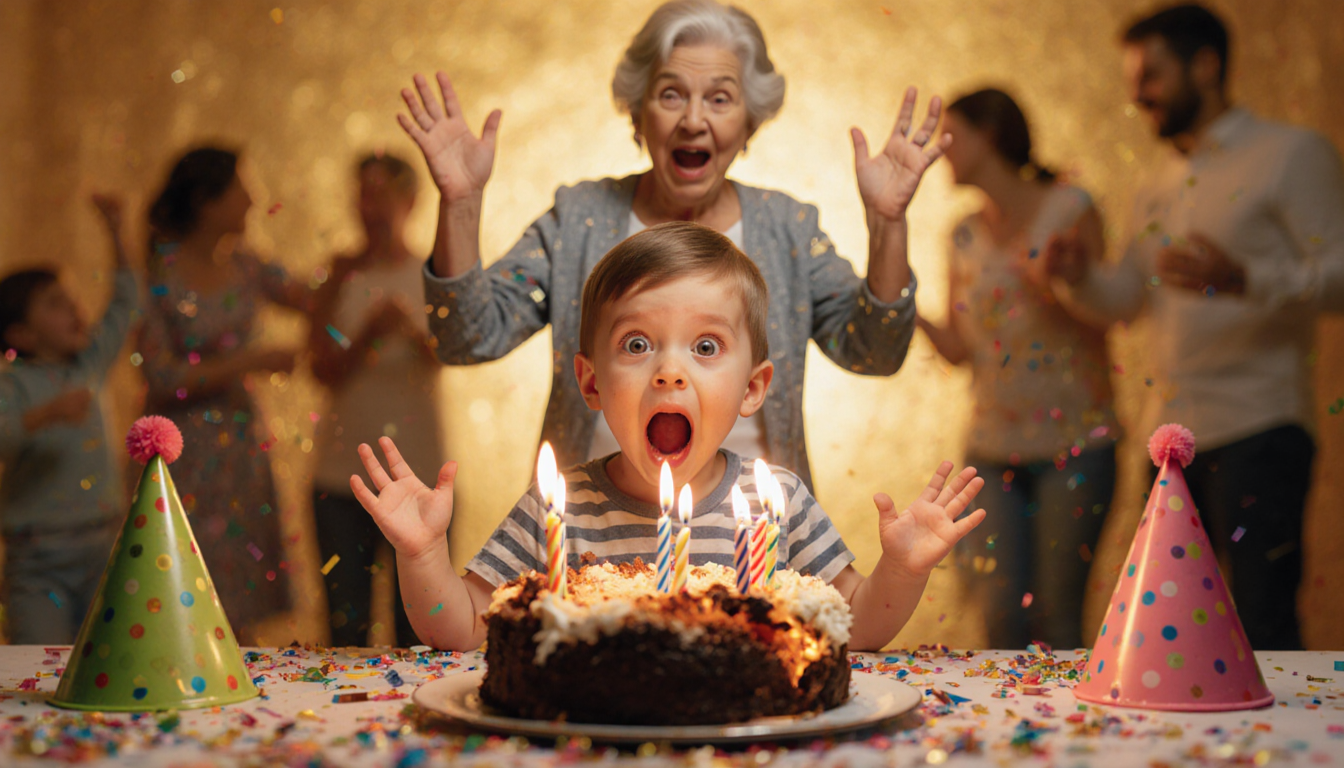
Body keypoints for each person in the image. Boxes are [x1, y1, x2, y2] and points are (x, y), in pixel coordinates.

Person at [351, 222, 987, 651]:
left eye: (706, 346)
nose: (670, 370)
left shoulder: (780, 505)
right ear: (592, 383)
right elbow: (460, 630)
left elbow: (860, 627)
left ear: (753, 389)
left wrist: (901, 570)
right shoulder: (559, 510)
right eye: (637, 344)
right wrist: (422, 554)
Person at [403, 0, 950, 486]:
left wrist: (889, 226)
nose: (693, 120)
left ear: (749, 122)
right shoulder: (579, 219)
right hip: (588, 541)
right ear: (638, 115)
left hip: (755, 547)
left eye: (719, 98)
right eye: (671, 94)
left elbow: (875, 352)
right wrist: (461, 204)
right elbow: (465, 339)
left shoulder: (787, 228)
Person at [1044, 3, 1344, 649]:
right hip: (1174, 439)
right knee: (1168, 636)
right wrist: (1076, 275)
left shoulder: (1289, 154)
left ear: (1205, 66)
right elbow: (1126, 300)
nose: (1136, 93)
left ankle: (1281, 753)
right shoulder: (1158, 182)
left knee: (1262, 625)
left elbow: (1341, 272)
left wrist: (1248, 278)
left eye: (1150, 74)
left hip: (1260, 426)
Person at [916, 89, 1120, 650]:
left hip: (1075, 443)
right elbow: (961, 348)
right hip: (992, 448)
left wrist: (1064, 278)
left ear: (990, 135)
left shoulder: (1069, 209)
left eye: (952, 137)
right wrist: (902, 302)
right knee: (1001, 617)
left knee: (1057, 616)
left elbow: (1106, 313)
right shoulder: (962, 234)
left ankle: (1067, 736)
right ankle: (1009, 739)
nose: (942, 151)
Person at [139, 147, 309, 642]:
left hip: (240, 446)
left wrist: (354, 264)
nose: (253, 200)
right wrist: (250, 361)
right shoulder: (159, 272)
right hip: (182, 450)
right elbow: (162, 377)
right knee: (184, 584)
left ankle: (235, 682)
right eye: (239, 188)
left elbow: (312, 300)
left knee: (241, 595)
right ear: (206, 201)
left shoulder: (248, 265)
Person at [308, 153, 444, 647]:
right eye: (364, 193)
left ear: (410, 201)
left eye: (383, 193)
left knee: (422, 631)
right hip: (341, 478)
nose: (371, 206)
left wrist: (409, 330)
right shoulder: (340, 273)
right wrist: (366, 336)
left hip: (420, 474)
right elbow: (319, 366)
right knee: (346, 631)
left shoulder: (434, 273)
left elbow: (454, 354)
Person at [0, 194, 139, 644]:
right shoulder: (13, 384)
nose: (77, 309)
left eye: (73, 299)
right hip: (38, 560)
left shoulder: (88, 365)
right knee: (39, 665)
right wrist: (44, 415)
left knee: (103, 661)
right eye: (56, 304)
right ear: (20, 333)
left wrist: (117, 230)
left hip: (103, 548)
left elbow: (126, 302)